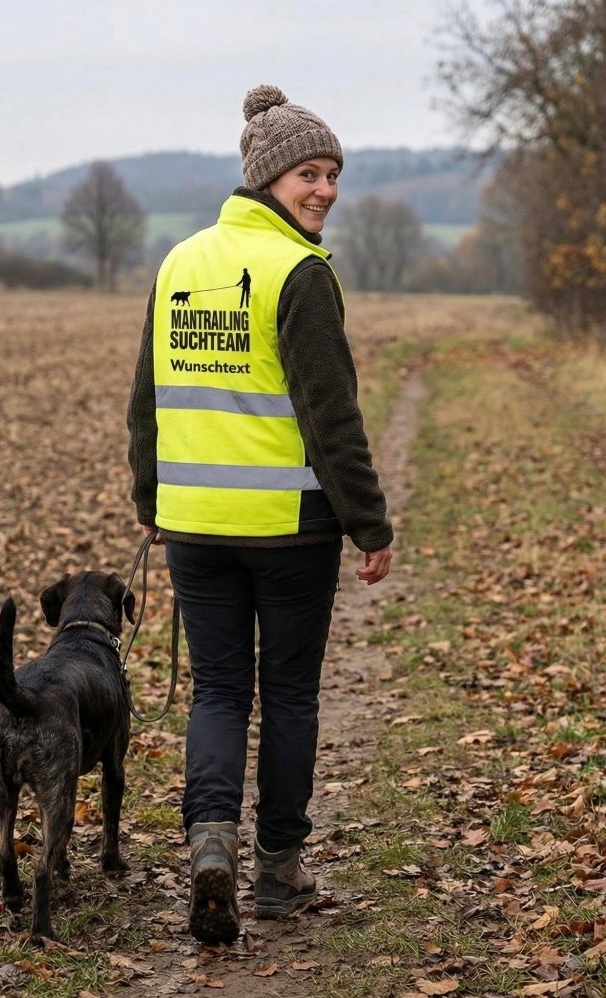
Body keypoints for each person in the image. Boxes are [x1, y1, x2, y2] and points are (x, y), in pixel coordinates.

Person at [126, 84, 393, 946]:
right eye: (310, 174)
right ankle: (277, 870)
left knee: (217, 692)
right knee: (285, 695)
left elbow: (147, 405)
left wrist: (152, 499)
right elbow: (331, 415)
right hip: (288, 530)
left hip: (196, 527)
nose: (326, 191)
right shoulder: (300, 273)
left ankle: (211, 844)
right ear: (268, 178)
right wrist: (370, 523)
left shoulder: (179, 263)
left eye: (333, 174)